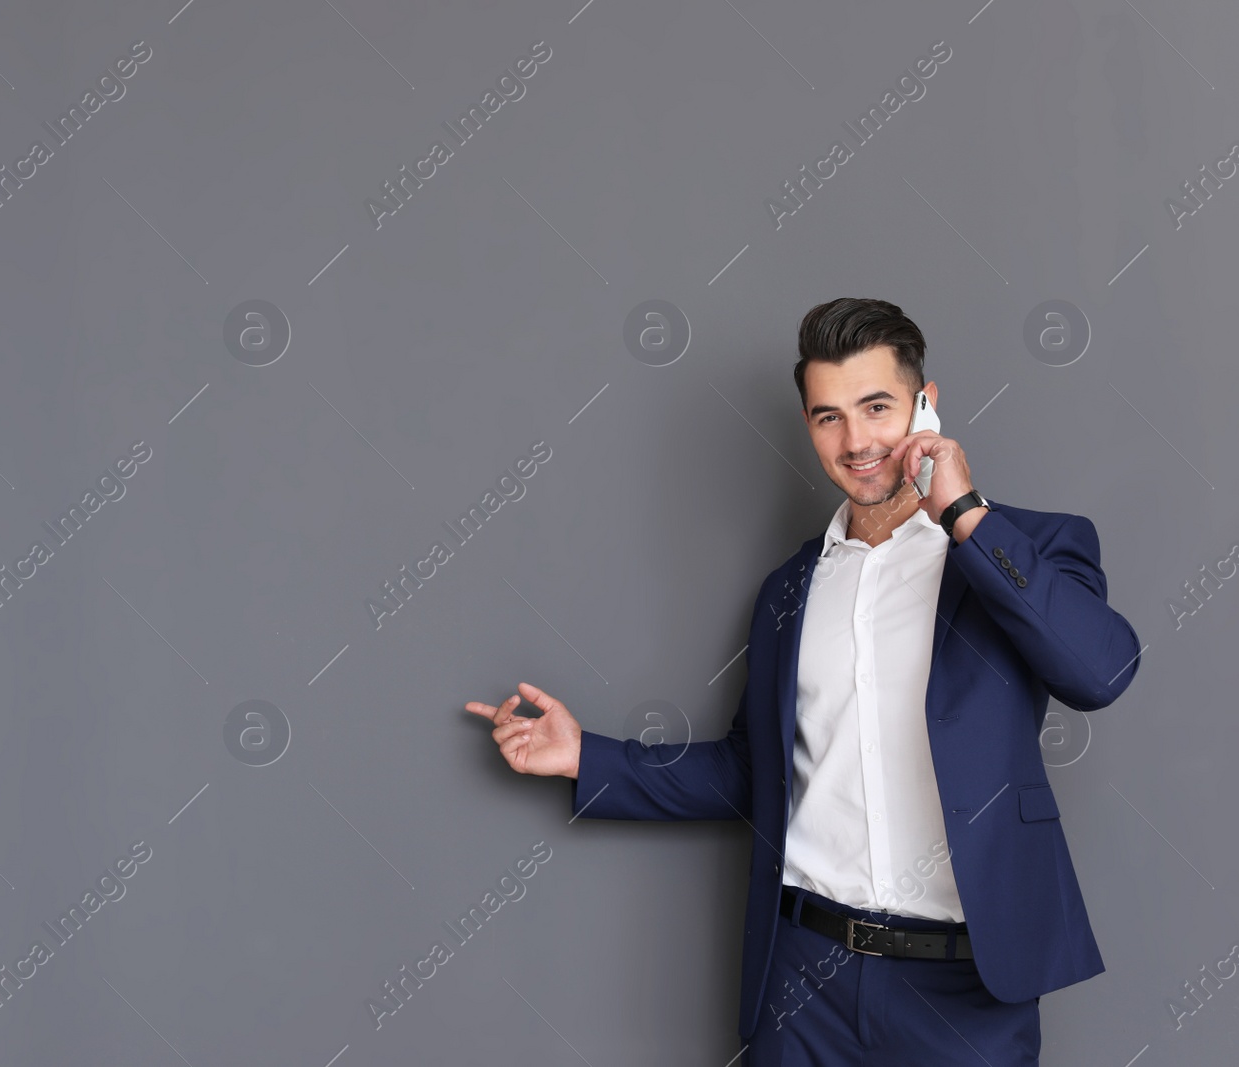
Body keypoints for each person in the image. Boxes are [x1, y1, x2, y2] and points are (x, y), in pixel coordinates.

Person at [466, 297, 1143, 1066]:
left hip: (969, 991)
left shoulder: (1030, 544)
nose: (857, 441)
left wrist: (965, 513)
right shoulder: (789, 590)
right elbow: (753, 769)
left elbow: (1102, 670)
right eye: (828, 417)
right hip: (805, 983)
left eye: (877, 406)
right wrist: (585, 756)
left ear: (927, 402)